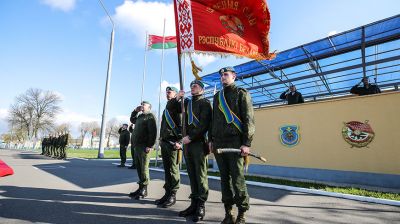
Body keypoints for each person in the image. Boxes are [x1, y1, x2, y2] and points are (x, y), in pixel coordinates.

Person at [210, 66, 255, 224]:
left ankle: (242, 213)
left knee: (237, 180)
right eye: (222, 75)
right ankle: (228, 212)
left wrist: (246, 143)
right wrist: (211, 140)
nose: (223, 77)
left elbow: (249, 119)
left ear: (234, 76)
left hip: (236, 143)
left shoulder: (241, 93)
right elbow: (213, 120)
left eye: (226, 74)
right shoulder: (217, 97)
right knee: (225, 180)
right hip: (219, 144)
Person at [174, 80, 212, 222]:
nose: (192, 88)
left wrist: (190, 137)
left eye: (195, 86)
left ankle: (201, 205)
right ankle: (193, 204)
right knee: (192, 175)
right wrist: (178, 97)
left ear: (202, 89)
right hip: (187, 144)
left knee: (200, 175)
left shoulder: (205, 103)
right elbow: (172, 108)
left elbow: (204, 124)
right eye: (191, 86)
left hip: (198, 143)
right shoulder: (187, 102)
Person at [155, 86, 182, 208]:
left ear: (176, 94)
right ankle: (167, 193)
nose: (167, 93)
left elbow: (182, 125)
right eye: (166, 92)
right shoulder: (167, 107)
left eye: (170, 92)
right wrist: (161, 139)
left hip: (173, 142)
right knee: (167, 170)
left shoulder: (178, 106)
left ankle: (173, 194)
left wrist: (180, 141)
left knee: (172, 170)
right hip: (165, 142)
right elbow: (164, 126)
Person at [128, 101, 157, 200]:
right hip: (137, 146)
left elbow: (153, 132)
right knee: (139, 168)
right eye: (142, 104)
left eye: (144, 105)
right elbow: (132, 119)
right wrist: (135, 111)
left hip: (145, 146)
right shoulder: (140, 117)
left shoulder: (150, 116)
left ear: (149, 107)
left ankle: (144, 189)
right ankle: (140, 187)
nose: (142, 106)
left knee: (144, 168)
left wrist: (150, 145)